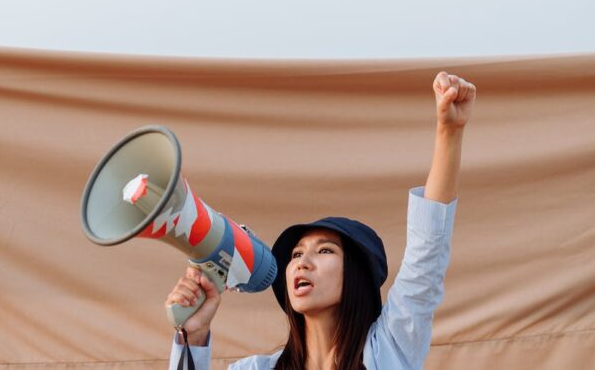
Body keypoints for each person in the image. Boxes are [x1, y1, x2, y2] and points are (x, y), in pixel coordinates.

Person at [166, 71, 476, 370]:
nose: (302, 263)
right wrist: (192, 336)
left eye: (325, 250)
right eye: (297, 254)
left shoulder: (389, 349)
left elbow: (426, 257)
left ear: (356, 274)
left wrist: (449, 132)